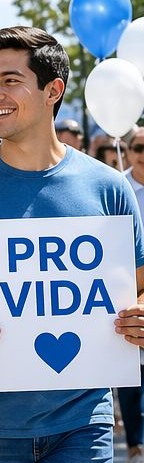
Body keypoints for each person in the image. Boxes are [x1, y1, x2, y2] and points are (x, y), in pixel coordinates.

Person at [0, 26, 144, 462]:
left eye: (10, 80)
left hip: (83, 422)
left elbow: (140, 286)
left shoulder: (108, 188)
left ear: (53, 91)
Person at [120, 126, 144, 463]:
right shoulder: (117, 187)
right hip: (130, 285)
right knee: (129, 369)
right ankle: (135, 442)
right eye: (138, 147)